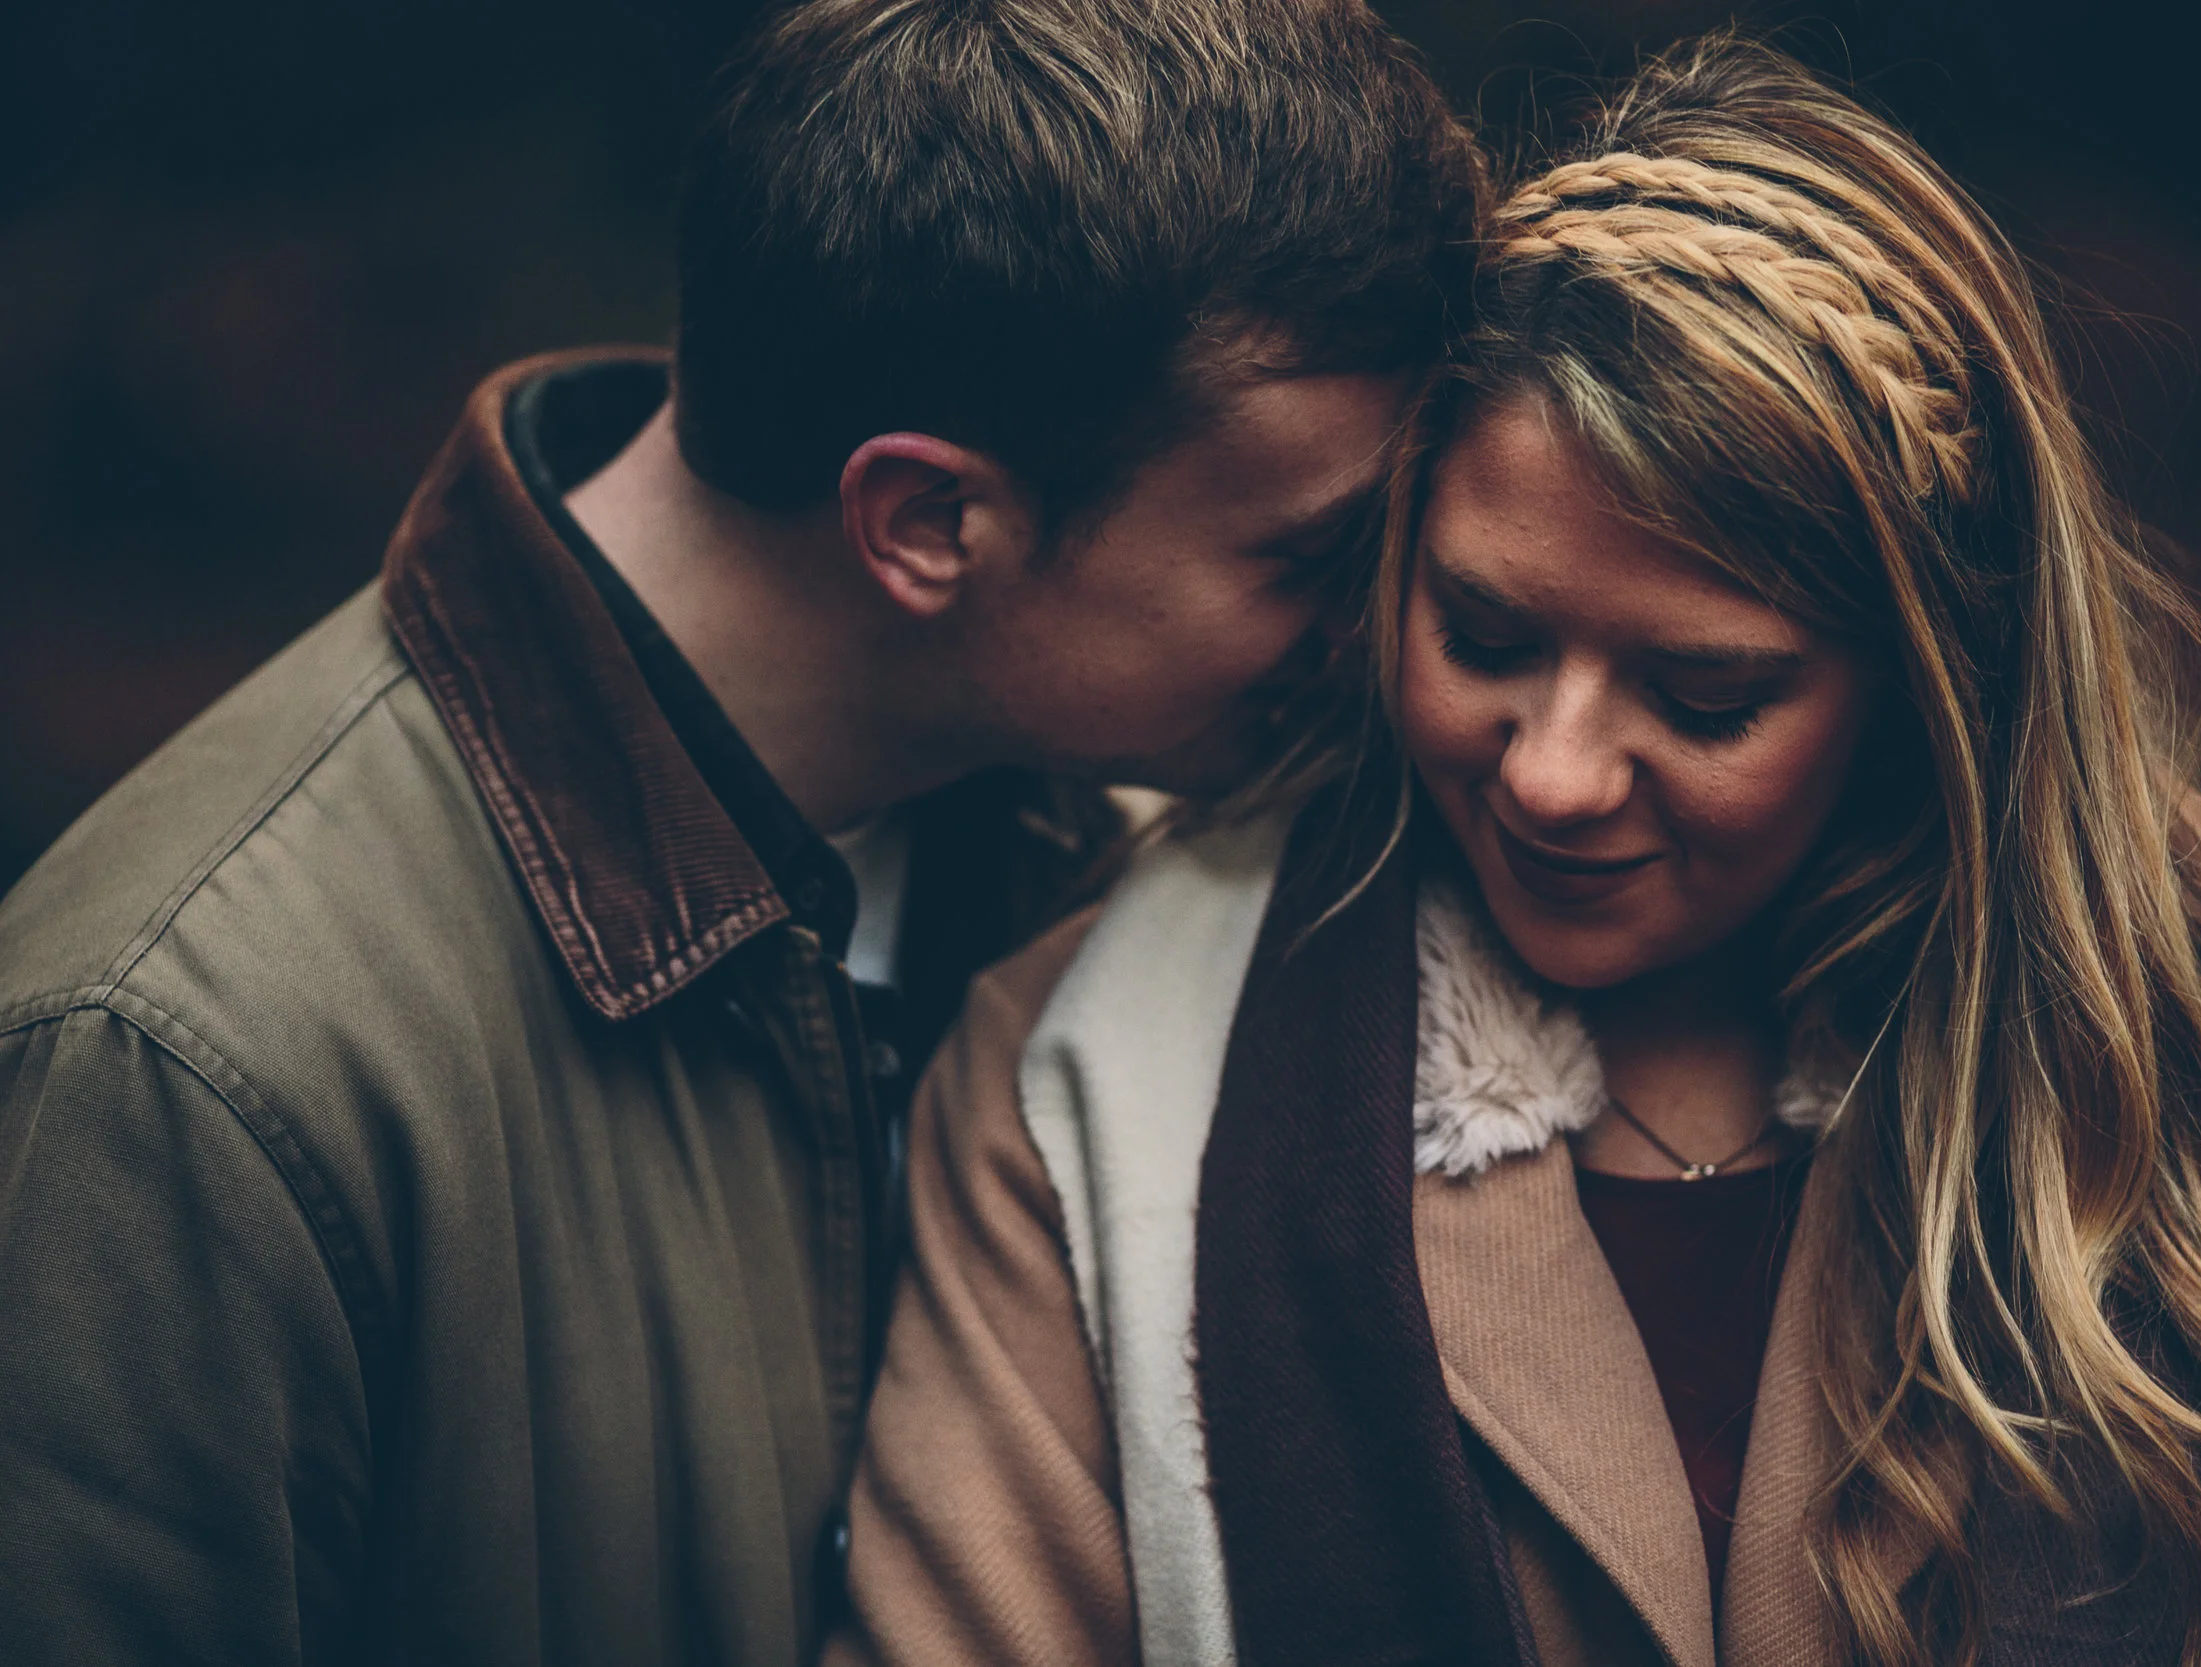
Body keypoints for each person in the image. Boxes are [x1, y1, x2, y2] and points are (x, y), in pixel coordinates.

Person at [839, 34, 2201, 1667]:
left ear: (1926, 694)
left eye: (1705, 693)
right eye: (1484, 634)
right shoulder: (1102, 1064)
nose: (1555, 777)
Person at [0, 2, 1480, 1662]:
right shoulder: (169, 1076)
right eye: (1306, 559)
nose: (1381, 630)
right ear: (928, 522)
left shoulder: (1134, 842)